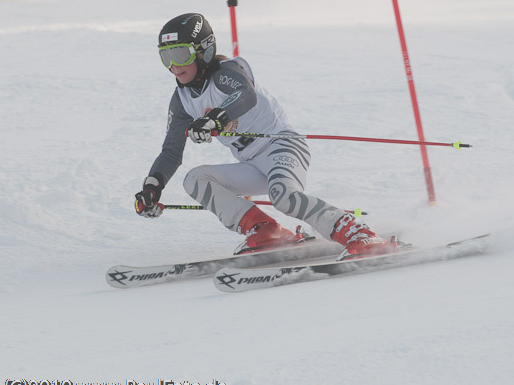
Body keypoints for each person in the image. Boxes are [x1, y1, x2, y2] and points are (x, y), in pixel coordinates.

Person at [134, 13, 399, 260]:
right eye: (166, 57)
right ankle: (265, 230)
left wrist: (217, 118)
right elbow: (171, 151)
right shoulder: (181, 100)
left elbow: (245, 96)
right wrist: (152, 188)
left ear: (204, 51)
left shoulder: (227, 73)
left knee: (283, 196)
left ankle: (358, 233)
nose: (173, 67)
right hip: (251, 163)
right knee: (196, 179)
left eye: (180, 55)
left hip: (282, 146)